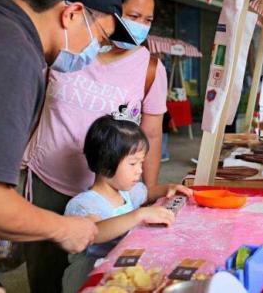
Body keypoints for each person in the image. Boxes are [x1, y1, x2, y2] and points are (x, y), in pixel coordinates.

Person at [22, 0, 183, 292]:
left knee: (100, 275)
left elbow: (151, 134)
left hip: (110, 191)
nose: (140, 25)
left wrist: (144, 191)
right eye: (133, 15)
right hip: (49, 183)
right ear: (107, 12)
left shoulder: (150, 68)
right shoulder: (69, 48)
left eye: (148, 19)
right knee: (46, 277)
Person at [0, 0, 137, 282]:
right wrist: (63, 228)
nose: (94, 54)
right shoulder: (13, 54)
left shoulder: (1, 30)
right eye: (100, 41)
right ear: (72, 14)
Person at [62, 114, 192, 293]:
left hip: (120, 274)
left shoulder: (127, 192)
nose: (139, 170)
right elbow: (94, 233)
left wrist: (169, 188)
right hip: (91, 279)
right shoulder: (83, 205)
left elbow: (148, 193)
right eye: (132, 164)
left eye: (141, 163)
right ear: (106, 163)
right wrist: (139, 215)